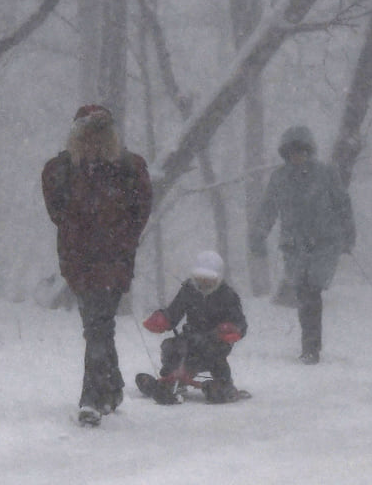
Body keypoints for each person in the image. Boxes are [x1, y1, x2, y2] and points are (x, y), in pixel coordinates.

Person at [42, 104, 152, 426]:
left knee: (97, 326)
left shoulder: (129, 168)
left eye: (99, 136)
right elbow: (57, 213)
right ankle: (112, 386)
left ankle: (91, 398)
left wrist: (120, 238)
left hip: (114, 260)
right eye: (87, 136)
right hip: (79, 261)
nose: (93, 143)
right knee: (99, 325)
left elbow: (140, 211)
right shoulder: (60, 170)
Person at [249, 125, 355, 364]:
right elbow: (268, 210)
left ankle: (311, 347)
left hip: (324, 244)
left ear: (309, 151)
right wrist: (258, 236)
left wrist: (349, 236)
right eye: (292, 152)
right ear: (286, 154)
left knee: (312, 291)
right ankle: (309, 345)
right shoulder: (280, 178)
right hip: (294, 246)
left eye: (301, 151)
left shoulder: (326, 174)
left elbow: (342, 206)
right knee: (302, 293)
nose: (297, 156)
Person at [140, 250, 247, 404]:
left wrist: (231, 330)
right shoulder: (188, 290)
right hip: (190, 338)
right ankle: (173, 378)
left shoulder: (227, 295)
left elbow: (240, 324)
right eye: (199, 278)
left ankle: (223, 382)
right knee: (171, 346)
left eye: (208, 279)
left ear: (218, 278)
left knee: (213, 354)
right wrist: (163, 319)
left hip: (216, 341)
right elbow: (174, 312)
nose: (203, 283)